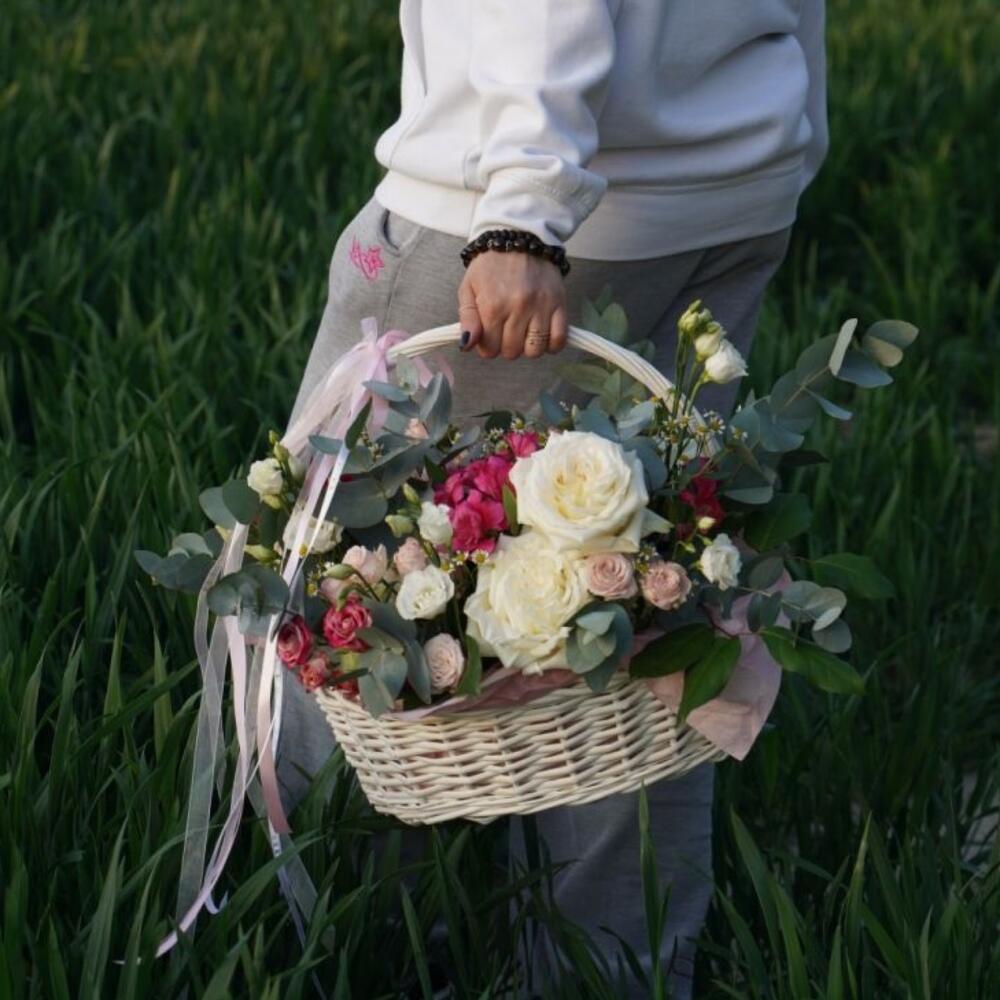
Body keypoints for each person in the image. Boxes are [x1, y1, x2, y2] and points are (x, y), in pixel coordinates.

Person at [279, 2, 828, 996]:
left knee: (346, 586)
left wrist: (522, 214)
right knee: (642, 604)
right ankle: (610, 972)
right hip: (731, 174)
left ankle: (362, 951)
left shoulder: (522, 213)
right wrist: (773, 131)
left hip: (522, 210)